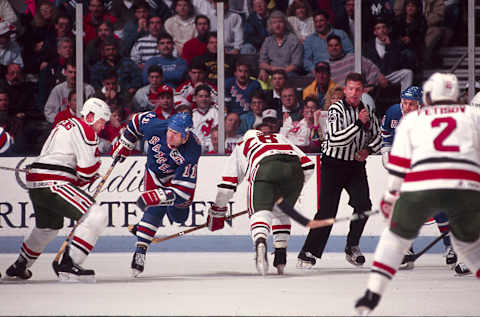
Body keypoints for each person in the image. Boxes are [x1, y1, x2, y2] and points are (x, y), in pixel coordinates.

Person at [355, 72, 480, 315]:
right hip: (463, 186)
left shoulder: (413, 120)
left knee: (394, 236)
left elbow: (399, 166)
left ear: (428, 97)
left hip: (423, 184)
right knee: (472, 242)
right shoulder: (472, 115)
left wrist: (391, 196)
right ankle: (464, 259)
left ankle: (373, 292)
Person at [4, 98, 111, 281]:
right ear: (91, 116)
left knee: (47, 228)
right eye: (101, 121)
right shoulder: (86, 129)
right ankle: (69, 266)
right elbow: (86, 171)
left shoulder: (67, 124)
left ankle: (20, 266)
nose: (102, 127)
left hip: (37, 183)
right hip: (54, 182)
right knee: (96, 215)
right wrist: (95, 168)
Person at [206, 129, 329, 275]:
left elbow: (227, 187)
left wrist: (218, 211)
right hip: (294, 171)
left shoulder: (242, 144)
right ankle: (280, 253)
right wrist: (296, 187)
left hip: (266, 167)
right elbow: (308, 165)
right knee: (281, 211)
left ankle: (260, 241)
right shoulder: (279, 137)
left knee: (259, 213)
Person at [297, 72, 381, 268]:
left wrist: (368, 150)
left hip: (355, 166)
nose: (353, 93)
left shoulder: (367, 108)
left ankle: (352, 246)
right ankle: (308, 251)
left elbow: (377, 136)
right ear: (345, 90)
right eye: (350, 88)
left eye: (358, 89)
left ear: (362, 91)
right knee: (327, 211)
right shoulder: (336, 109)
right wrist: (358, 123)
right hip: (333, 164)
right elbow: (335, 139)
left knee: (364, 206)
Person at [380, 85, 468, 273]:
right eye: (404, 102)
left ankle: (449, 246)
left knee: (439, 209)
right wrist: (387, 157)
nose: (406, 107)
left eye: (411, 104)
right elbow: (386, 136)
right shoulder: (394, 112)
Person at [112, 112, 201, 277]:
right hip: (154, 174)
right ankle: (140, 251)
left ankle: (143, 228)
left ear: (185, 135)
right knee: (155, 210)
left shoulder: (192, 149)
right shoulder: (156, 126)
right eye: (170, 131)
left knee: (180, 217)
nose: (170, 136)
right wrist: (125, 143)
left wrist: (155, 197)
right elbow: (137, 120)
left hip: (177, 180)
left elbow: (183, 192)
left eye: (176, 134)